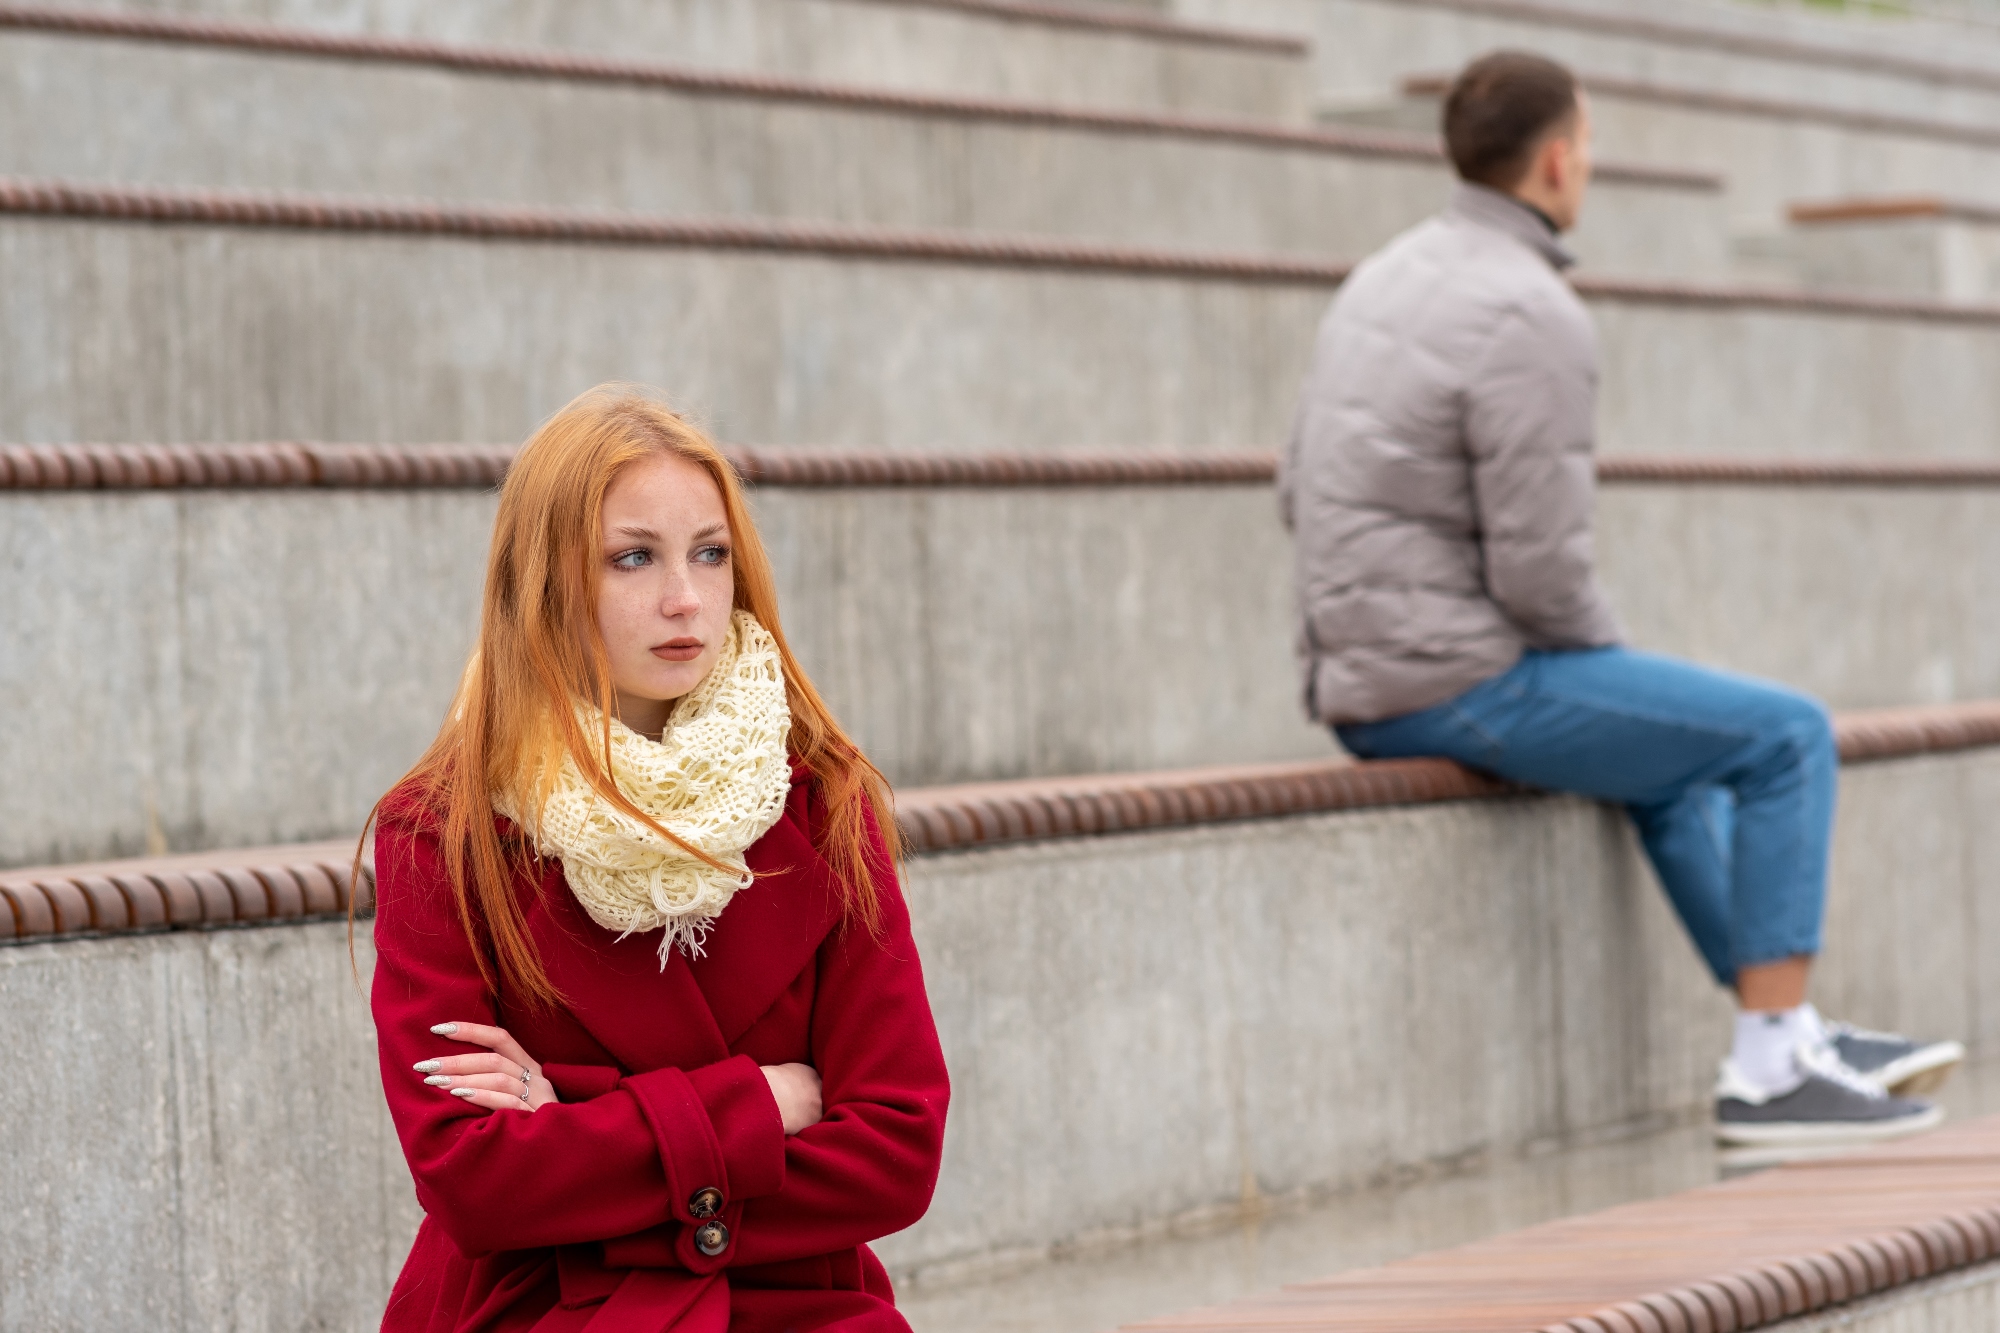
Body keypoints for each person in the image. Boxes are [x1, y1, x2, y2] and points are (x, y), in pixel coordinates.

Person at [1278, 51, 1962, 1147]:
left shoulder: (1384, 274)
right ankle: (1770, 1068)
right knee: (1783, 734)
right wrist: (1609, 665)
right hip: (1450, 675)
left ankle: (1791, 1039)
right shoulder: (1527, 308)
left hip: (1362, 665)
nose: (1587, 163)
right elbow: (1540, 573)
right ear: (1555, 160)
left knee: (1668, 755)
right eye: (1587, 144)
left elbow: (1291, 481)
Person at [363, 385, 949, 1331]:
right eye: (633, 557)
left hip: (800, 1304)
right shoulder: (444, 833)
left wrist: (580, 1121)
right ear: (546, 581)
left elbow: (896, 1149)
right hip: (538, 1310)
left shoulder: (822, 802)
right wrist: (759, 1100)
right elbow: (474, 1181)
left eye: (709, 554)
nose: (685, 599)